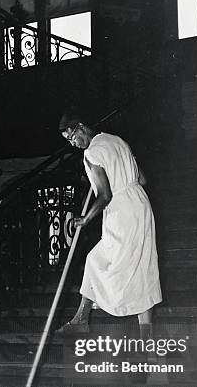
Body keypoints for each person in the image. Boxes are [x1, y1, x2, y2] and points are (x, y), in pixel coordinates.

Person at [56, 108, 162, 336]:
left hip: (121, 213)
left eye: (73, 137)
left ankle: (82, 319)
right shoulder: (118, 141)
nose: (73, 144)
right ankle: (83, 319)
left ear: (81, 127)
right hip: (140, 204)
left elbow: (105, 195)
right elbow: (142, 179)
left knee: (105, 262)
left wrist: (85, 219)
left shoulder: (92, 153)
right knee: (139, 267)